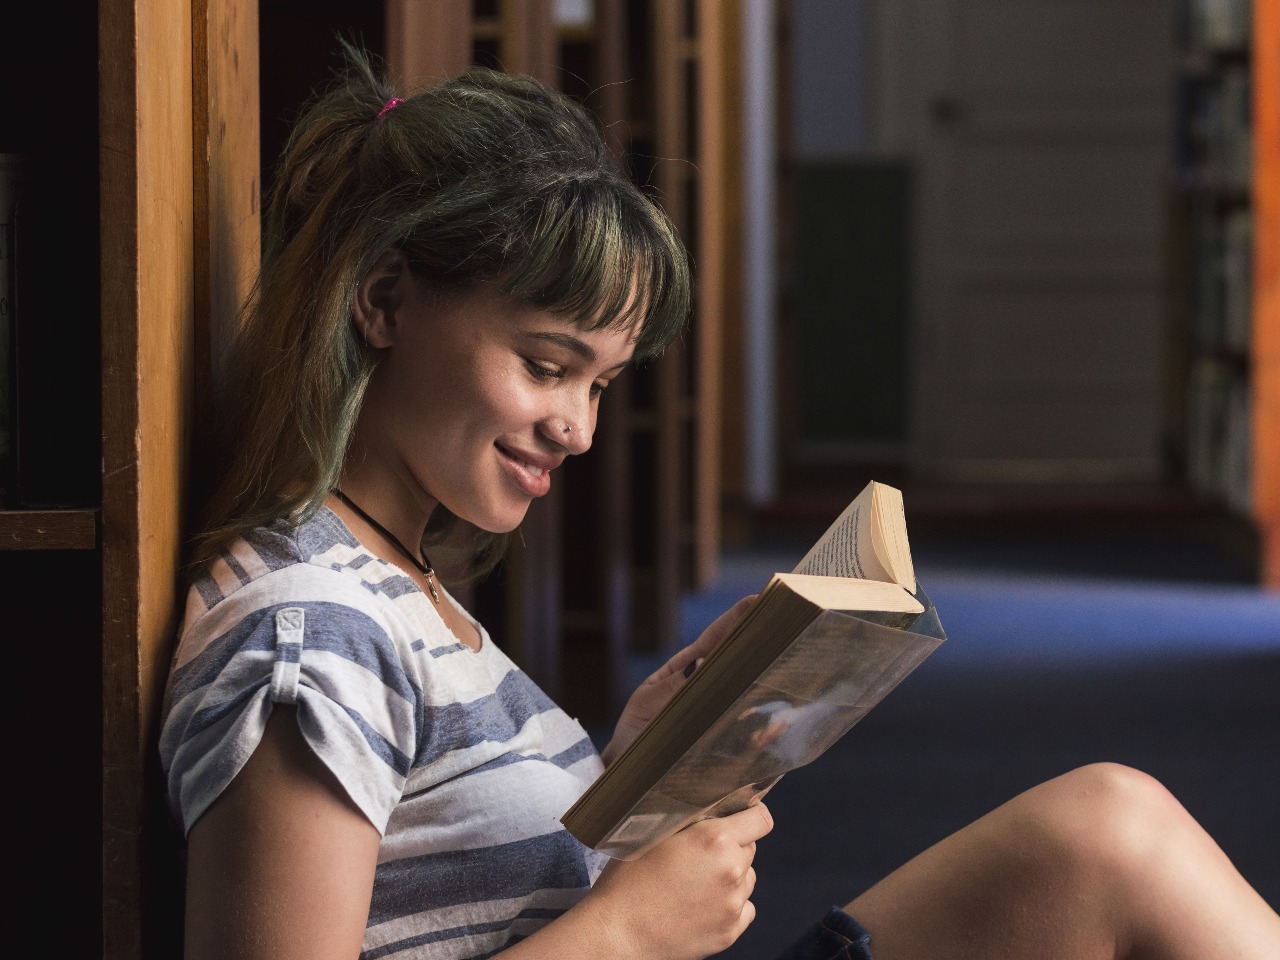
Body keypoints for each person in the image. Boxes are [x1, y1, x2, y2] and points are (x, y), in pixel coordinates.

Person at [159, 43, 1280, 960]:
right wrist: (626, 934)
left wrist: (636, 767)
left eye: (600, 385)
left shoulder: (399, 575)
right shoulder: (310, 634)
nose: (578, 428)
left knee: (1104, 828)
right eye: (546, 365)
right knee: (1116, 839)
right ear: (386, 303)